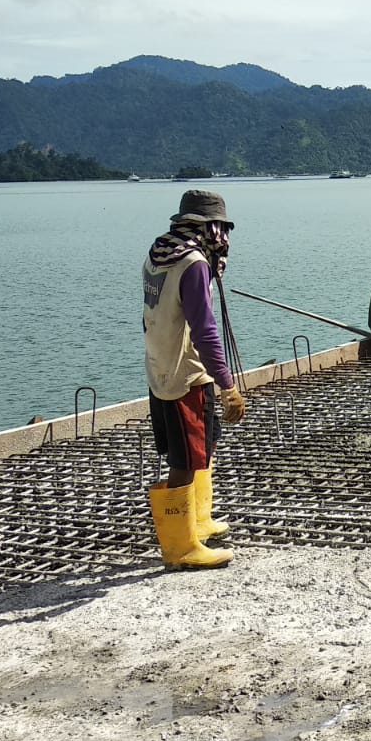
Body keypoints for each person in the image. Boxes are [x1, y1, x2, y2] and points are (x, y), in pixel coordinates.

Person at [142, 189, 245, 570]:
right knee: (185, 459)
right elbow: (205, 330)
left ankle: (198, 519)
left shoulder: (158, 256)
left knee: (206, 441)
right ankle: (181, 547)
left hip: (161, 366)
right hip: (186, 373)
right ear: (210, 228)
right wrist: (228, 385)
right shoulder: (193, 264)